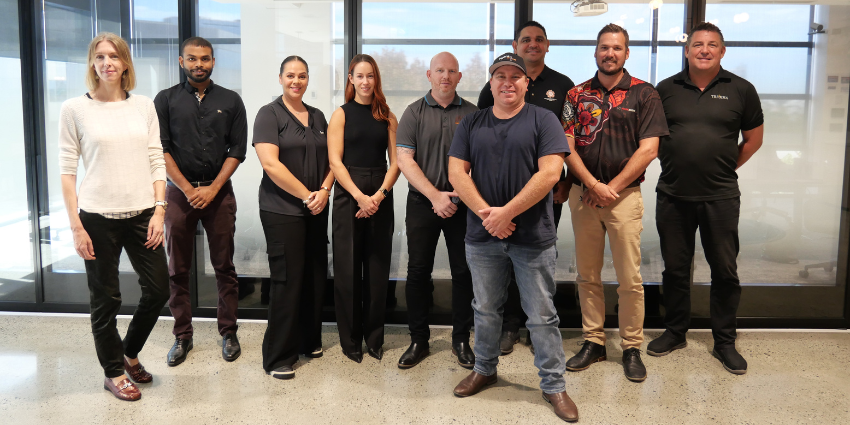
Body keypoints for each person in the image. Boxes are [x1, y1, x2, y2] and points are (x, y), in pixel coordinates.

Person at [449, 53, 578, 423]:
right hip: (482, 235)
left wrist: (506, 214)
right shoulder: (472, 123)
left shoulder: (545, 119)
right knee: (485, 309)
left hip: (532, 237)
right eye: (500, 76)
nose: (508, 82)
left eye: (515, 77)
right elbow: (457, 173)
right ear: (491, 84)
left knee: (541, 315)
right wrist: (490, 217)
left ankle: (554, 386)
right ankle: (485, 369)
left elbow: (551, 173)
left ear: (526, 84)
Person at [58, 32, 169, 401]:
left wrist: (159, 210)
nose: (107, 63)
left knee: (158, 290)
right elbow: (67, 170)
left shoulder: (143, 106)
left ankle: (130, 351)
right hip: (96, 217)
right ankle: (114, 371)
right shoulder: (75, 109)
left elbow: (157, 159)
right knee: (106, 299)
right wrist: (75, 224)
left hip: (142, 215)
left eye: (114, 56)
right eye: (100, 56)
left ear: (125, 64)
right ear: (92, 63)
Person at [648, 22, 764, 375]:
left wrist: (725, 166)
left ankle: (724, 341)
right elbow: (650, 139)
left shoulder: (742, 89)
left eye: (712, 44)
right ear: (687, 51)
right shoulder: (665, 89)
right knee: (675, 270)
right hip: (672, 195)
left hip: (721, 196)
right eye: (698, 44)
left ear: (722, 51)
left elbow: (753, 140)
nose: (704, 50)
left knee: (725, 271)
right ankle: (675, 331)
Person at [561, 24, 669, 383]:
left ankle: (632, 347)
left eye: (617, 48)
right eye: (604, 47)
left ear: (626, 53)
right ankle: (593, 341)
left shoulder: (645, 94)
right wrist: (592, 184)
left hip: (624, 198)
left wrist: (611, 188)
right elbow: (567, 145)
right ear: (595, 52)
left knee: (629, 278)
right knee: (587, 274)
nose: (610, 53)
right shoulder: (575, 95)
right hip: (583, 195)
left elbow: (649, 148)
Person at [477, 21, 575, 355]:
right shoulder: (490, 89)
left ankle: (538, 329)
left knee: (535, 259)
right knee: (502, 262)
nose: (532, 44)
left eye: (538, 40)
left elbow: (571, 139)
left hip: (546, 194)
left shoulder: (563, 86)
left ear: (547, 45)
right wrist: (491, 207)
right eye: (525, 40)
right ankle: (511, 326)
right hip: (494, 203)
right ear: (516, 46)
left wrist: (566, 181)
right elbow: (480, 142)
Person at [154, 37, 248, 366]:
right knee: (177, 269)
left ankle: (229, 332)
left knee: (225, 266)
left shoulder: (231, 100)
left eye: (205, 59)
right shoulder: (165, 100)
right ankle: (182, 336)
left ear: (213, 61)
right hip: (178, 194)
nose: (199, 64)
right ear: (181, 61)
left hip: (219, 193)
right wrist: (186, 187)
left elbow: (238, 151)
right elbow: (160, 149)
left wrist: (211, 188)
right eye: (192, 59)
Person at [252, 56, 335, 379]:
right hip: (282, 210)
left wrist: (325, 190)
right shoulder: (268, 114)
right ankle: (277, 357)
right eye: (290, 76)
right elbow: (271, 165)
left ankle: (307, 341)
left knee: (314, 276)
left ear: (308, 79)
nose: (296, 81)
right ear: (280, 78)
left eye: (302, 76)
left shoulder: (317, 116)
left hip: (317, 206)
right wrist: (307, 195)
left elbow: (333, 158)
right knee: (287, 280)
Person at [395, 52, 479, 369]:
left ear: (459, 77)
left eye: (452, 71)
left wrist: (458, 194)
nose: (445, 76)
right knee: (418, 272)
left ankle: (461, 339)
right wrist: (435, 196)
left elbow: (481, 158)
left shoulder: (473, 113)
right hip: (422, 203)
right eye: (439, 70)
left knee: (464, 272)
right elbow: (404, 159)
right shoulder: (413, 112)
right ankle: (419, 340)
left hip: (463, 203)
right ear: (429, 75)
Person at [328, 54, 400, 363]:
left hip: (381, 192)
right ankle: (350, 340)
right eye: (360, 76)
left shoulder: (387, 116)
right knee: (346, 269)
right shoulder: (340, 115)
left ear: (376, 79)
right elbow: (335, 162)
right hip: (348, 194)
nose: (366, 81)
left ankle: (374, 338)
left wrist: (379, 196)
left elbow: (397, 163)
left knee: (377, 268)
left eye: (370, 76)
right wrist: (360, 196)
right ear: (351, 79)